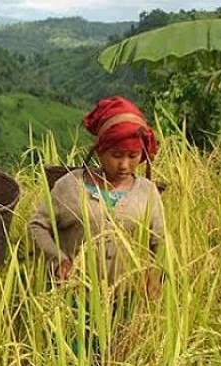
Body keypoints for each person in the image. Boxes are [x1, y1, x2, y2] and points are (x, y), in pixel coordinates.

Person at [29, 96, 165, 293]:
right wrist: (57, 259)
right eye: (116, 155)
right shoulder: (70, 186)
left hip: (127, 300)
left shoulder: (147, 192)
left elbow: (159, 241)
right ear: (100, 152)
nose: (124, 165)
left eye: (132, 156)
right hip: (72, 296)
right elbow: (37, 225)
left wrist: (155, 273)